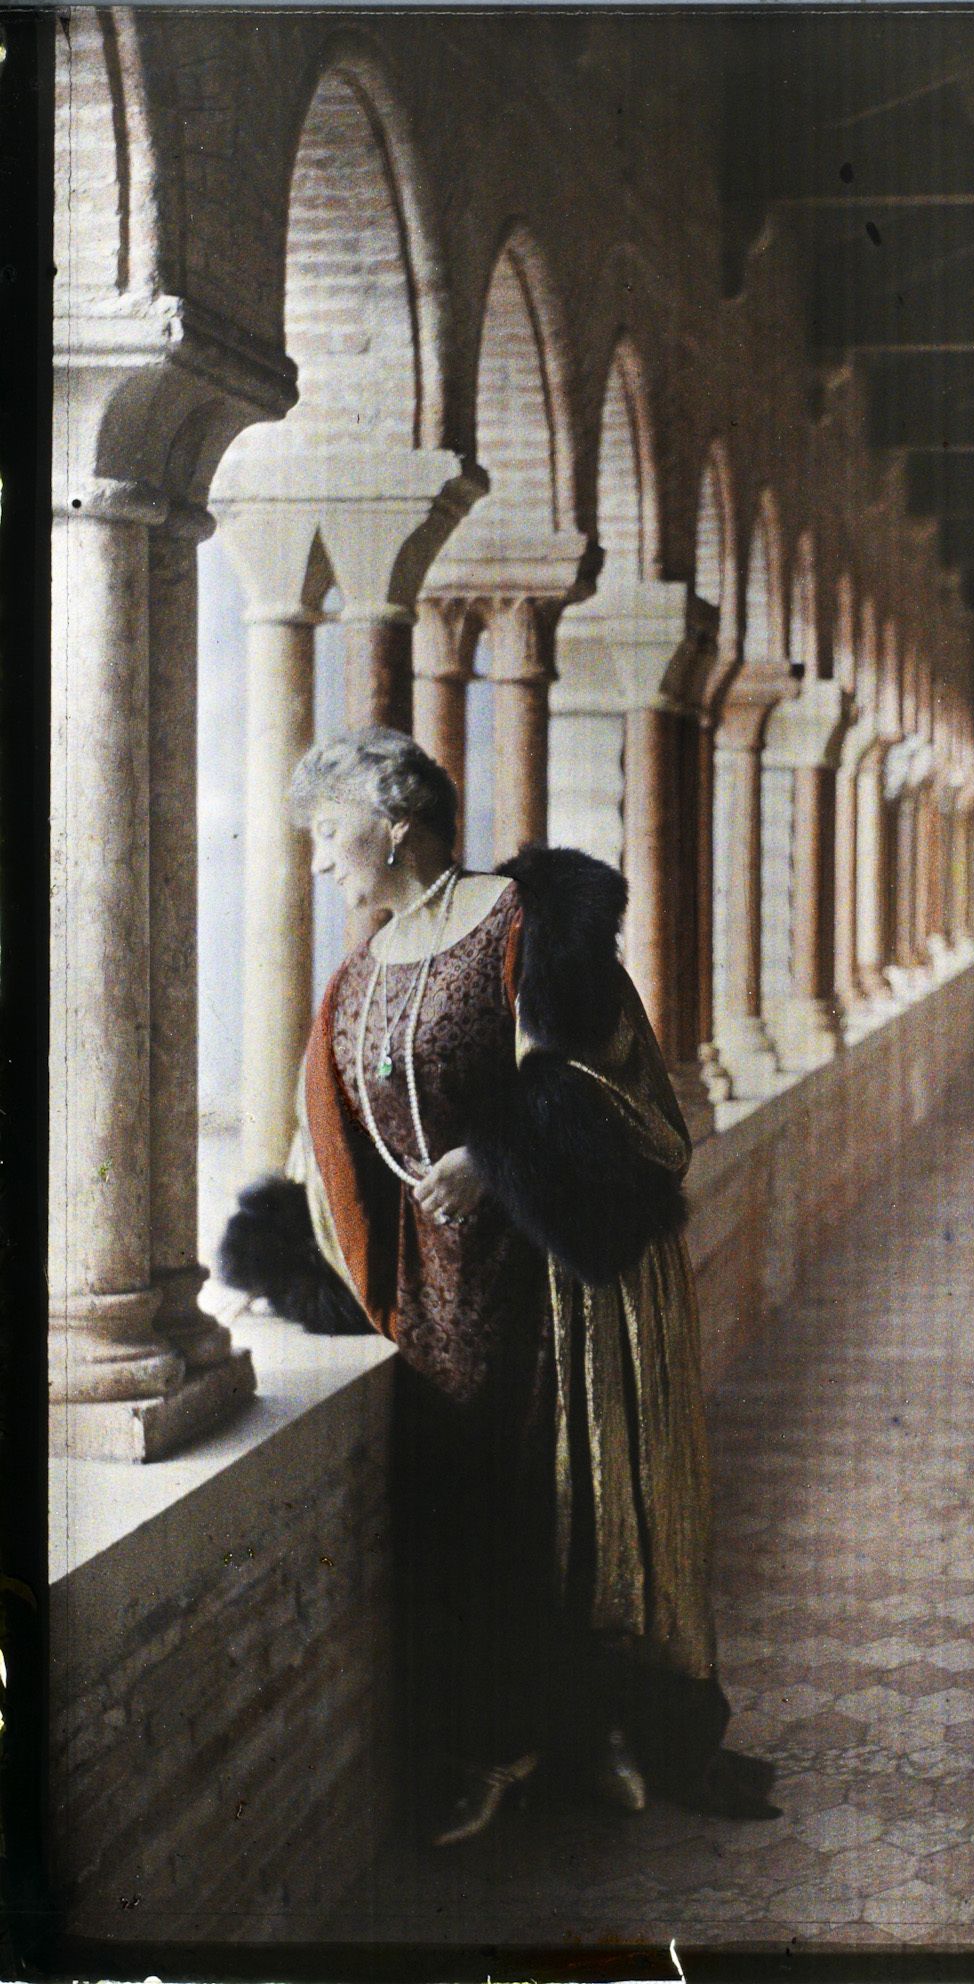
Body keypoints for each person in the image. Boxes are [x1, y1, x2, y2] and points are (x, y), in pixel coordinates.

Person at [218, 725, 776, 1842]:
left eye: (329, 833)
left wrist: (494, 1156)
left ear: (396, 821)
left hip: (555, 1288)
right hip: (432, 1298)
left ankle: (603, 1732)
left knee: (578, 1503)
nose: (317, 862)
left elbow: (615, 1084)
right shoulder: (359, 974)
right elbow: (323, 1144)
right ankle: (508, 1747)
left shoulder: (525, 922)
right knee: (476, 1517)